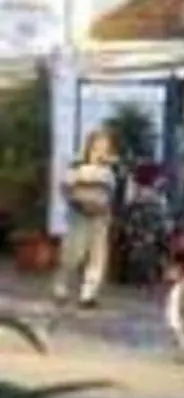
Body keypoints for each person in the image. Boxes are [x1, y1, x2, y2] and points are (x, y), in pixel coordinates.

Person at [54, 129, 119, 310]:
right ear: (90, 145)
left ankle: (88, 294)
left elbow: (113, 193)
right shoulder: (78, 165)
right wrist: (78, 202)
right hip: (79, 215)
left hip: (100, 217)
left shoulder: (110, 170)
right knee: (73, 254)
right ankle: (62, 288)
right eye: (98, 144)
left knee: (97, 257)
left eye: (105, 145)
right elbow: (65, 187)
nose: (101, 149)